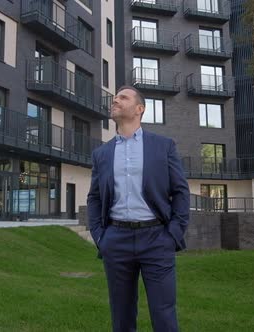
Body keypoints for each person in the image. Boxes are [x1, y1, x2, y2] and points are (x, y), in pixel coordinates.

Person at [87, 86, 190, 332]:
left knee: (163, 313)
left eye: (123, 97)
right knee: (121, 315)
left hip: (157, 239)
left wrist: (173, 233)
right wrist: (101, 237)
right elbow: (95, 198)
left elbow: (180, 192)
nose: (115, 100)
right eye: (115, 98)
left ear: (139, 109)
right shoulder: (102, 153)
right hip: (116, 240)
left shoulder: (163, 146)